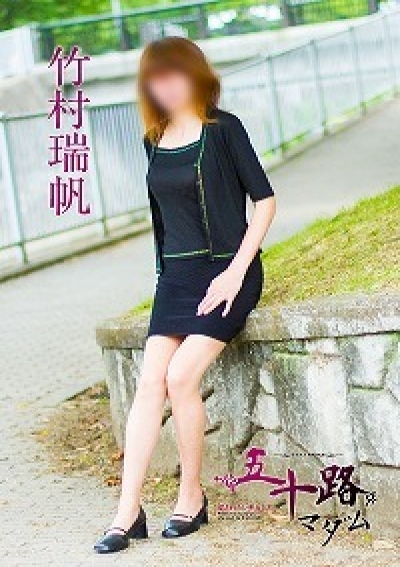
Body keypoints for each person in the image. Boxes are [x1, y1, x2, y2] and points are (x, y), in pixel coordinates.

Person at [94, 36, 276, 554]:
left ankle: (191, 497)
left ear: (195, 74)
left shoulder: (224, 130)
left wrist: (236, 272)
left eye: (173, 75)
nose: (165, 86)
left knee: (180, 377)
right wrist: (165, 278)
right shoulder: (153, 138)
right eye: (156, 79)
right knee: (149, 383)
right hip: (175, 279)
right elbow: (164, 221)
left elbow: (264, 202)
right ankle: (128, 512)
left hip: (228, 271)